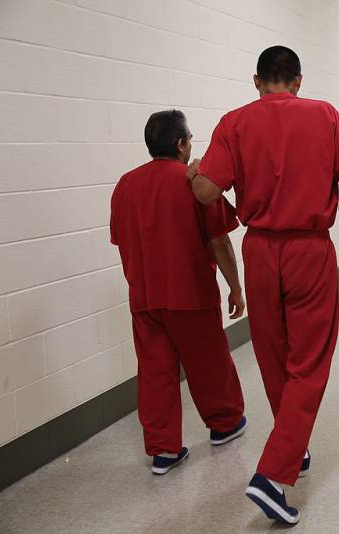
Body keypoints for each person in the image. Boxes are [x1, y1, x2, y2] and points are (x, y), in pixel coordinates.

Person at [187, 46, 339, 525]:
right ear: (298, 80)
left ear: (256, 81)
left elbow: (205, 192)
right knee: (309, 361)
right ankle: (272, 476)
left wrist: (193, 171)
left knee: (273, 354)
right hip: (309, 249)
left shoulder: (235, 122)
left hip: (260, 250)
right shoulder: (325, 115)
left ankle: (294, 447)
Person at [110, 110, 246, 476]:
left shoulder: (125, 184)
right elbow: (219, 241)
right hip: (190, 293)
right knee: (209, 362)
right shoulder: (196, 182)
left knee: (155, 372)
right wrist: (235, 286)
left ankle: (164, 450)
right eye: (191, 140)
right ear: (182, 144)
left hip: (144, 297)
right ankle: (225, 424)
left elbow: (121, 240)